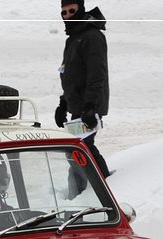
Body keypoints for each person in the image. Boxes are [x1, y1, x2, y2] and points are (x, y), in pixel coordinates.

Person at [55, 0, 111, 185]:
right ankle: (82, 193)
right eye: (64, 12)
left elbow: (97, 74)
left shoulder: (91, 36)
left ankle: (106, 185)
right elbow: (71, 75)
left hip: (88, 106)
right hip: (79, 106)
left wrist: (90, 106)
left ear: (81, 9)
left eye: (72, 10)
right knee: (77, 150)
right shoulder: (73, 38)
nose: (68, 15)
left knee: (82, 148)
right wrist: (64, 104)